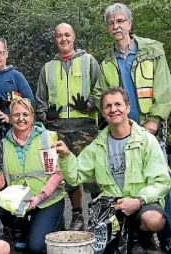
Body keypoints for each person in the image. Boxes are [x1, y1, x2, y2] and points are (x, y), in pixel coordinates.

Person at [94, 3, 171, 254]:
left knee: (159, 180)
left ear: (130, 24)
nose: (116, 26)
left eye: (120, 21)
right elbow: (101, 95)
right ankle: (137, 237)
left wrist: (154, 120)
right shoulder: (107, 62)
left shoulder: (152, 51)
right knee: (130, 182)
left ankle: (168, 235)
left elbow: (165, 90)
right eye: (111, 23)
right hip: (123, 133)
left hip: (150, 128)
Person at [54, 87, 171, 254]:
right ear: (103, 112)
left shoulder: (147, 140)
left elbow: (161, 182)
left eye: (118, 104)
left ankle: (145, 239)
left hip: (141, 202)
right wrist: (65, 156)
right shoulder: (98, 145)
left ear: (128, 108)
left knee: (153, 219)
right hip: (113, 206)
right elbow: (75, 176)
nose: (113, 109)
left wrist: (138, 201)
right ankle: (128, 240)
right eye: (108, 106)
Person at [35, 23, 101, 231]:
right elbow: (40, 100)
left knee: (92, 176)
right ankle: (77, 216)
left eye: (67, 35)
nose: (63, 39)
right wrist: (47, 115)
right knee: (68, 177)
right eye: (59, 36)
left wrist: (89, 104)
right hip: (59, 130)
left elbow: (101, 89)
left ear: (74, 37)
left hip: (86, 128)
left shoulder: (89, 61)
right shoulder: (47, 68)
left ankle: (99, 216)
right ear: (54, 39)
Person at [0, 98, 66, 254]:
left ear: (32, 117)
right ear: (10, 117)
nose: (21, 119)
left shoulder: (46, 138)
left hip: (47, 200)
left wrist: (39, 197)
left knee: (37, 247)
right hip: (21, 203)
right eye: (16, 115)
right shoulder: (2, 144)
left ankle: (54, 224)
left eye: (25, 114)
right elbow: (0, 183)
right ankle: (21, 229)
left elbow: (57, 174)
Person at [0, 37, 35, 125]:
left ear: (6, 53)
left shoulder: (16, 76)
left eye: (0, 52)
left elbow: (31, 104)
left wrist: (10, 118)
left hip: (14, 132)